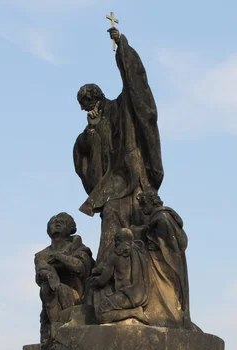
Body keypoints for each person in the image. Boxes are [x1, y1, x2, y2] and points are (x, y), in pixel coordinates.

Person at [74, 27, 164, 264]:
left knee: (132, 213)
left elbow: (135, 86)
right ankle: (107, 268)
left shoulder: (118, 108)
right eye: (84, 106)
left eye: (90, 102)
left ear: (99, 97)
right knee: (112, 213)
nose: (88, 108)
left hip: (131, 175)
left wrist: (122, 47)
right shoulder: (92, 125)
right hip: (112, 183)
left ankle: (128, 268)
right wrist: (91, 130)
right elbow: (82, 153)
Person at [135, 189, 191, 329]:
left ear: (150, 202)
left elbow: (167, 244)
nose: (142, 209)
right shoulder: (160, 217)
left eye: (143, 205)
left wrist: (147, 241)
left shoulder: (162, 218)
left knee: (165, 288)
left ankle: (167, 316)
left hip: (163, 261)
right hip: (159, 260)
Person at [35, 212, 93, 341]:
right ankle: (55, 326)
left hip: (76, 296)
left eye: (62, 221)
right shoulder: (41, 255)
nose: (56, 223)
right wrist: (50, 275)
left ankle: (58, 327)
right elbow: (40, 275)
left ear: (71, 228)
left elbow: (80, 268)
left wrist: (59, 257)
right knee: (46, 286)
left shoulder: (80, 248)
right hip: (51, 296)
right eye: (53, 222)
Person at [89, 227, 149, 324]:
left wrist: (93, 282)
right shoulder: (140, 253)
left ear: (118, 241)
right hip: (142, 296)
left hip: (126, 295)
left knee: (102, 314)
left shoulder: (116, 255)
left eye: (116, 241)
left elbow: (102, 280)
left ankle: (134, 312)